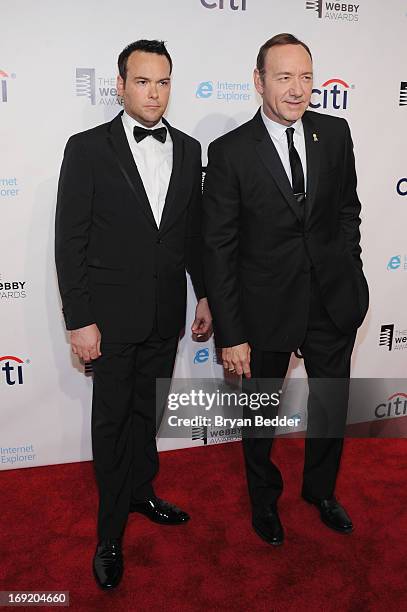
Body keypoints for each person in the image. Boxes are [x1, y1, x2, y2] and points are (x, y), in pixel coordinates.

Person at [55, 39, 212, 588]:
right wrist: (79, 319)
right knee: (112, 423)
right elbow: (69, 240)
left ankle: (143, 492)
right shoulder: (87, 148)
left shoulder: (190, 149)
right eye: (143, 81)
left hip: (164, 314)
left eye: (164, 82)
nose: (154, 92)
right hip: (109, 320)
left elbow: (191, 235)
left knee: (149, 414)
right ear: (120, 86)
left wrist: (207, 293)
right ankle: (109, 533)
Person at [202, 33, 368, 546]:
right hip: (263, 309)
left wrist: (348, 266)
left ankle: (320, 491)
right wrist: (232, 333)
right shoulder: (229, 153)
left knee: (330, 406)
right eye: (284, 77)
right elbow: (220, 250)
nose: (298, 90)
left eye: (306, 77)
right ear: (258, 81)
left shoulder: (335, 134)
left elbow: (347, 211)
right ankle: (264, 501)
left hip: (331, 301)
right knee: (259, 416)